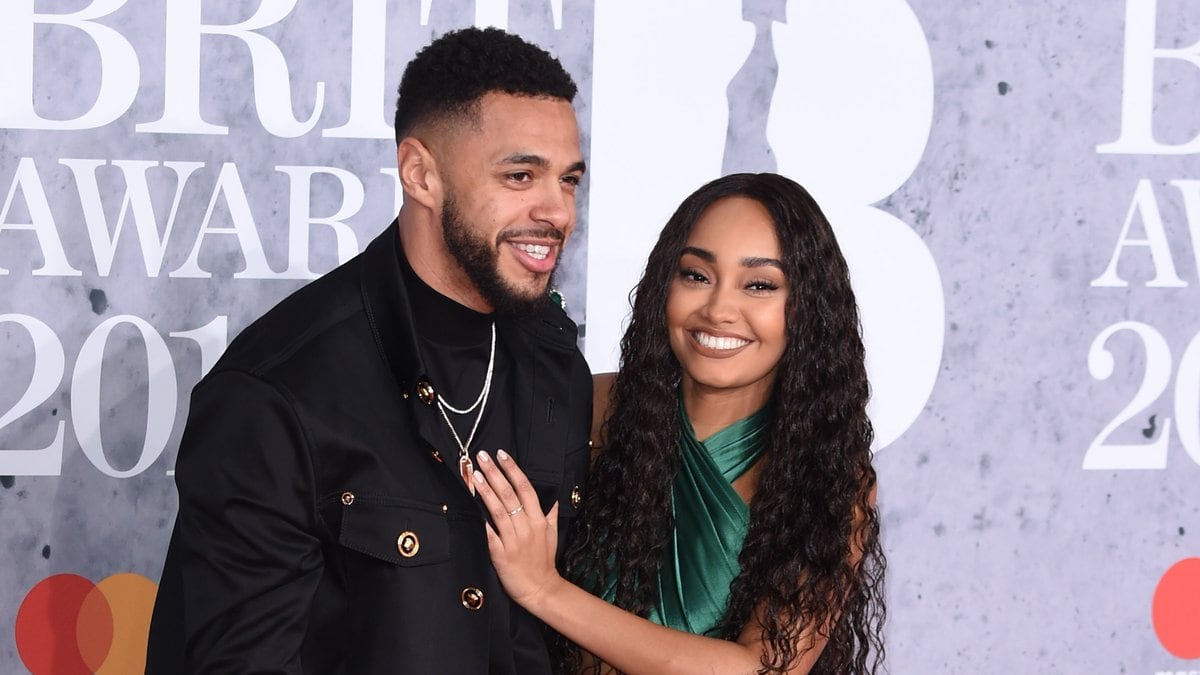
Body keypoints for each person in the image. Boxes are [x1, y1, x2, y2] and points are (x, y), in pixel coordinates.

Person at [146, 27, 593, 674]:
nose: (558, 211)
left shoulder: (555, 368)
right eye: (521, 175)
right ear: (420, 174)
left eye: (570, 180)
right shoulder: (278, 393)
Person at [473, 173, 886, 674]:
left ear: (808, 310)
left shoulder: (829, 475)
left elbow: (763, 669)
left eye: (759, 285)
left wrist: (543, 589)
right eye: (696, 275)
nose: (718, 310)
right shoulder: (588, 405)